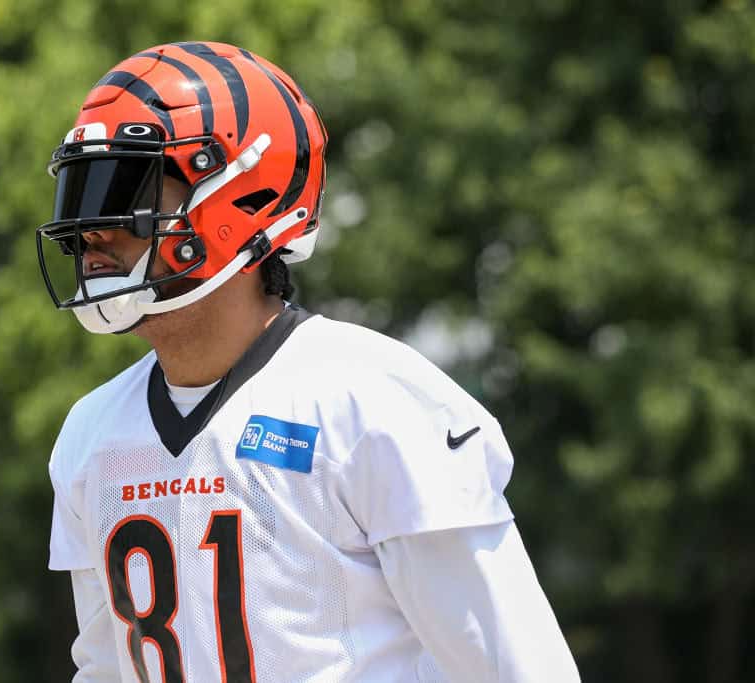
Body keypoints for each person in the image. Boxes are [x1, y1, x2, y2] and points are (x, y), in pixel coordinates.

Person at [41, 41, 580, 682]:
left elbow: (517, 668)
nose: (90, 230)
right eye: (82, 192)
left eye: (124, 189)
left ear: (239, 198)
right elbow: (107, 670)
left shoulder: (371, 400)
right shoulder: (91, 435)